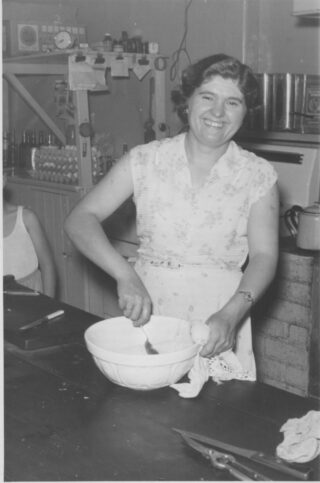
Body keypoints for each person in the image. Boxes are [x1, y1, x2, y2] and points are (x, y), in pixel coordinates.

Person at [65, 54, 279, 381]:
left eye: (233, 102)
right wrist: (125, 275)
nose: (218, 113)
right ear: (188, 101)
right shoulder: (145, 160)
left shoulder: (258, 174)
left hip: (220, 316)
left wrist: (232, 315)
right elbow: (81, 219)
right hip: (151, 308)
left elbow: (264, 256)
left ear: (245, 112)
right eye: (207, 97)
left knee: (220, 416)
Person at [3, 173, 57, 297]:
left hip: (30, 293)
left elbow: (47, 266)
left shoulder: (26, 218)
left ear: (2, 180)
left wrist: (50, 303)